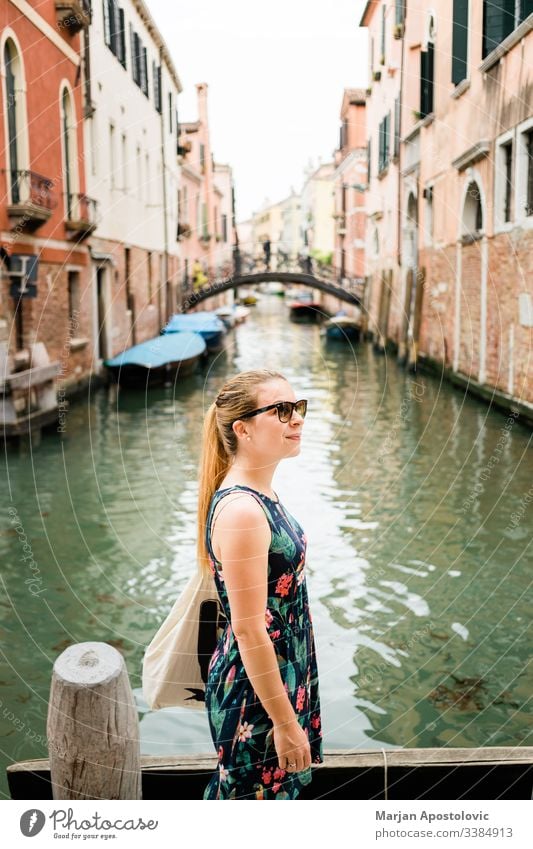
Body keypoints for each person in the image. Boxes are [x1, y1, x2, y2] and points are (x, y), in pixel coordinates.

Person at [197, 369, 323, 800]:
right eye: (282, 410)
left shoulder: (261, 494)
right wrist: (286, 724)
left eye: (298, 407)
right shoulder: (244, 511)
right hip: (259, 699)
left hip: (278, 681)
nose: (297, 419)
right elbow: (249, 628)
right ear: (243, 429)